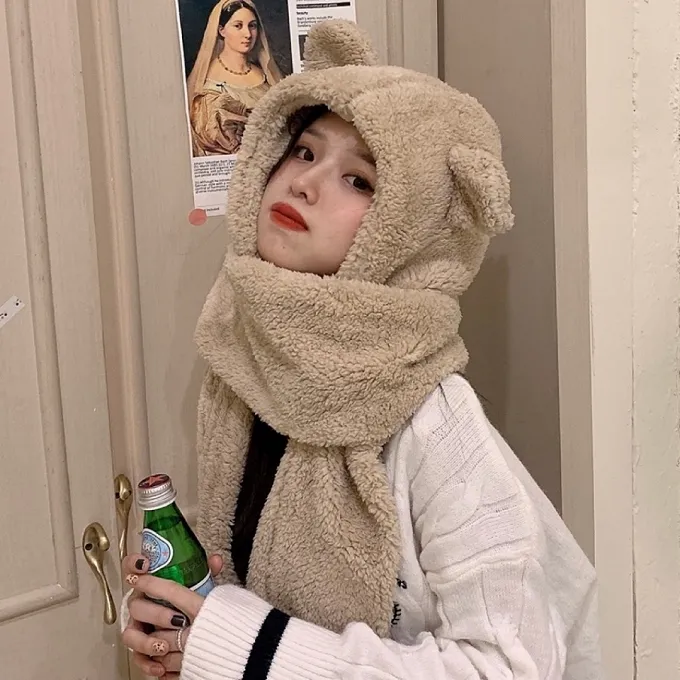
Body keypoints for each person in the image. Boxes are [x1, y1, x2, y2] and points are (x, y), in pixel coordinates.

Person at [121, 19, 602, 680]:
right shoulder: (242, 364)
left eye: (361, 181)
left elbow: (510, 666)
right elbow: (255, 580)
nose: (305, 183)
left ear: (414, 230)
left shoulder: (434, 420)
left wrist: (239, 648)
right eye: (304, 151)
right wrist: (190, 626)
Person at [187, 0, 282, 156]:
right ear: (221, 30)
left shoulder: (266, 75)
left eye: (252, 26)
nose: (248, 34)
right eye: (238, 26)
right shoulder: (208, 85)